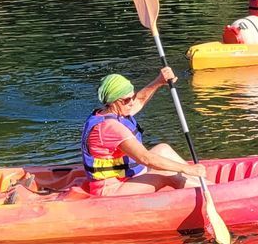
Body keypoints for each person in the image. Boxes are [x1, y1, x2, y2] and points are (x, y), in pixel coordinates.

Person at [74, 69, 204, 196]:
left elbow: (140, 99)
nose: (131, 102)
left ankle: (206, 185)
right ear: (114, 101)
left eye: (132, 97)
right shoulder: (110, 127)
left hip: (127, 177)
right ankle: (210, 193)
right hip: (111, 189)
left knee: (163, 149)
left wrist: (159, 81)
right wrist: (187, 169)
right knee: (165, 173)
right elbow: (145, 158)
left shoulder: (116, 111)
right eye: (127, 100)